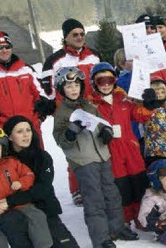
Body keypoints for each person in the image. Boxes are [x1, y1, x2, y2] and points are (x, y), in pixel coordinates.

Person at [51, 67, 137, 248]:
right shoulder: (62, 113)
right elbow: (59, 138)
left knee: (112, 194)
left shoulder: (89, 106)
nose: (73, 89)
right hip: (83, 161)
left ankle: (117, 227)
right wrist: (69, 134)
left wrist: (106, 132)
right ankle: (101, 238)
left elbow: (101, 124)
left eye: (76, 85)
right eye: (68, 86)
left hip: (103, 157)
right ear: (61, 89)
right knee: (94, 199)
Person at [0, 115, 78, 247]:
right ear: (10, 137)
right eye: (19, 131)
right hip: (16, 215)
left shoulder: (42, 157)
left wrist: (10, 201)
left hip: (44, 210)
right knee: (12, 223)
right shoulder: (0, 160)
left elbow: (43, 189)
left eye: (28, 130)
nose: (25, 135)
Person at [42, 18, 101, 206]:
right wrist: (57, 110)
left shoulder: (94, 55)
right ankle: (77, 189)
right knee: (75, 149)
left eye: (82, 34)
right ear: (65, 37)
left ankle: (100, 183)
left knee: (99, 146)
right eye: (75, 34)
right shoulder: (55, 60)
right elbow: (47, 91)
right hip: (69, 111)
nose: (79, 37)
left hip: (93, 108)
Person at [0, 125, 52, 248]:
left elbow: (28, 174)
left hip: (20, 205)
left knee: (38, 216)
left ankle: (44, 245)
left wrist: (21, 183)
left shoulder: (12, 162)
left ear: (3, 149)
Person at [88, 62, 150, 228]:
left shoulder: (123, 99)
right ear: (94, 83)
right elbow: (85, 127)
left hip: (130, 148)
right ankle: (125, 218)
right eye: (101, 81)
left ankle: (141, 216)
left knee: (138, 182)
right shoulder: (91, 105)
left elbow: (141, 115)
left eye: (109, 79)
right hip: (110, 150)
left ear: (115, 80)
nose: (106, 84)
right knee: (120, 186)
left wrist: (149, 104)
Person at [0, 31, 52, 144]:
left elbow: (41, 94)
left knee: (37, 160)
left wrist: (39, 118)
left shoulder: (26, 69)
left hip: (30, 128)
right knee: (11, 162)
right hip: (5, 131)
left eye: (7, 47)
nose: (4, 50)